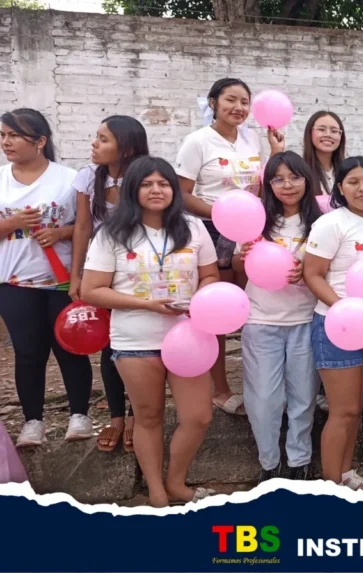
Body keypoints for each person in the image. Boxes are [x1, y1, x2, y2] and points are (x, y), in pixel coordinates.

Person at [81, 156, 219, 507]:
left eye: (163, 184)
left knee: (199, 416)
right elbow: (91, 290)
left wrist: (200, 299)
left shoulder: (193, 227)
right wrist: (146, 304)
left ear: (174, 189)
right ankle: (157, 492)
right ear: (133, 190)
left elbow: (210, 275)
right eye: (147, 184)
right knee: (148, 416)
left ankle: (176, 481)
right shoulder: (112, 233)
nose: (156, 190)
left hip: (189, 338)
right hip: (136, 339)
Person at [176, 77, 281, 417]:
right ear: (213, 103)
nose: (238, 107)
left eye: (244, 102)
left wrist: (276, 152)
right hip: (212, 231)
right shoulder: (197, 142)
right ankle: (219, 389)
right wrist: (222, 214)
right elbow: (181, 194)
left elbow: (261, 185)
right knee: (218, 312)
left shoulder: (252, 139)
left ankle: (259, 383)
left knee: (250, 307)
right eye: (230, 100)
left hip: (250, 231)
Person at [0, 108, 94, 448]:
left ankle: (80, 415)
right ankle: (32, 422)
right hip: (14, 283)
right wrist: (12, 223)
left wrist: (60, 233)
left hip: (62, 280)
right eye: (3, 135)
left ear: (40, 141)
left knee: (71, 348)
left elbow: (86, 226)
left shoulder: (69, 179)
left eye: (14, 135)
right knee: (27, 352)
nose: (6, 142)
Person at [304, 156, 363, 496]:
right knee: (342, 410)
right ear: (340, 188)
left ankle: (346, 472)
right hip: (338, 326)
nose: (362, 188)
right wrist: (344, 309)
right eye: (353, 182)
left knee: (357, 408)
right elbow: (313, 274)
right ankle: (331, 487)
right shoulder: (330, 224)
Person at [232, 151, 321, 482]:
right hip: (261, 320)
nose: (287, 185)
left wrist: (307, 271)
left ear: (306, 180)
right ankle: (269, 463)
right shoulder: (255, 221)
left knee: (303, 396)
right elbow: (239, 267)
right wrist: (243, 256)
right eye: (278, 179)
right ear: (268, 184)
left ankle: (299, 461)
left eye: (294, 177)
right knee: (264, 398)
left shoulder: (321, 222)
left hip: (305, 319)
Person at [69, 115, 148, 452]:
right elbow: (83, 227)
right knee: (109, 342)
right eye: (96, 136)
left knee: (139, 341)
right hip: (101, 269)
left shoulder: (144, 176)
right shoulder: (89, 176)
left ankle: (136, 415)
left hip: (138, 270)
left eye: (103, 139)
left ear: (126, 147)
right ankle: (116, 416)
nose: (94, 143)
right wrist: (76, 275)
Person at [302, 111, 345, 196]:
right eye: (321, 129)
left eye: (334, 131)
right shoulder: (300, 171)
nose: (328, 135)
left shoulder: (347, 171)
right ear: (310, 133)